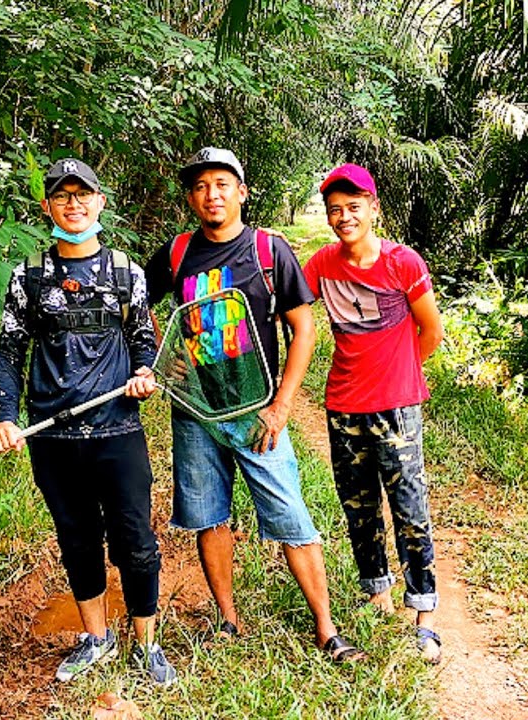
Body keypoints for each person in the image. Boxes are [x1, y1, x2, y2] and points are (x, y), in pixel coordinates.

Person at [144, 147, 365, 663]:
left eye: (221, 184)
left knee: (289, 512)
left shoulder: (269, 250)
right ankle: (227, 619)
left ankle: (326, 629)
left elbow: (303, 329)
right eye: (200, 187)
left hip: (256, 408)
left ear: (241, 192)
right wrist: (161, 356)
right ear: (191, 198)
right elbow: (139, 300)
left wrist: (283, 406)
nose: (211, 194)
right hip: (196, 409)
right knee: (208, 516)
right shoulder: (177, 252)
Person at [0, 157, 176, 685]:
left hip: (117, 431)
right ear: (48, 206)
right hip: (53, 435)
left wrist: (144, 371)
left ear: (100, 203)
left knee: (136, 539)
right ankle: (97, 638)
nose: (73, 204)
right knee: (77, 539)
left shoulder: (125, 273)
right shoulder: (29, 277)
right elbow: (9, 353)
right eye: (62, 196)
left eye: (83, 194)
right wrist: (5, 417)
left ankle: (147, 643)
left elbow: (144, 339)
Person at [301, 163, 446, 664]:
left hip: (397, 407)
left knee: (409, 508)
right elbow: (292, 306)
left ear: (373, 209)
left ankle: (424, 613)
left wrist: (399, 373)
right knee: (358, 507)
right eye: (335, 210)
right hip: (342, 404)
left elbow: (431, 330)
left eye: (353, 208)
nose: (344, 217)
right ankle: (376, 590)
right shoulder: (322, 264)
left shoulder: (403, 263)